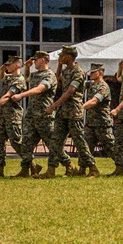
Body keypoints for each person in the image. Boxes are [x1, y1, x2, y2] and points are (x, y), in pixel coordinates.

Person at [45, 45, 98, 177]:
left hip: (73, 111)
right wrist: (58, 66)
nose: (60, 58)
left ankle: (93, 168)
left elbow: (70, 91)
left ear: (68, 57)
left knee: (79, 140)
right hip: (63, 111)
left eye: (62, 56)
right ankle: (52, 170)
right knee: (55, 141)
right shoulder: (66, 71)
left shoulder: (77, 72)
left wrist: (54, 105)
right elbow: (57, 80)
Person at [11, 51, 56, 178]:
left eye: (35, 60)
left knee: (52, 144)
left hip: (44, 115)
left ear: (42, 60)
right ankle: (26, 169)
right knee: (26, 144)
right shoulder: (36, 74)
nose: (34, 62)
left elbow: (39, 89)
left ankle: (67, 166)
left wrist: (21, 95)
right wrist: (27, 67)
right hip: (32, 115)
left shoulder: (49, 75)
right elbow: (27, 79)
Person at [0, 55, 25, 177]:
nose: (7, 66)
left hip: (13, 115)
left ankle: (30, 164)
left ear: (17, 65)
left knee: (15, 142)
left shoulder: (19, 80)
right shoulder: (10, 77)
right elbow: (2, 77)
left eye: (10, 64)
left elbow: (7, 96)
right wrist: (2, 70)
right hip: (3, 115)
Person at [83, 63, 116, 167]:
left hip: (102, 123)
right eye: (91, 72)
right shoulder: (91, 84)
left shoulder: (103, 87)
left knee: (110, 146)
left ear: (100, 73)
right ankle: (83, 168)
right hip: (91, 122)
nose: (91, 74)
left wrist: (80, 108)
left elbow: (94, 101)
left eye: (94, 72)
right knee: (86, 146)